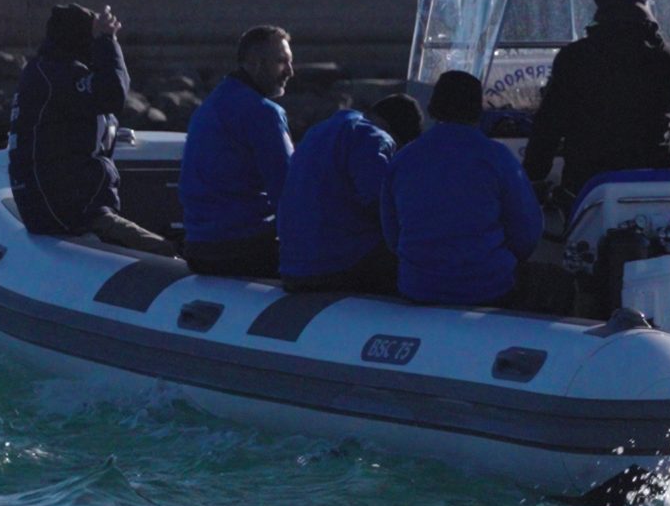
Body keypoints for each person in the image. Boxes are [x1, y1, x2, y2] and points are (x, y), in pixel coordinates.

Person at [7, 2, 172, 254]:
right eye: (91, 35)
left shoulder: (47, 71)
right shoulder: (55, 75)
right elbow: (113, 94)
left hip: (70, 207)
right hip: (71, 214)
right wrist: (108, 40)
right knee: (170, 253)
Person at [522, 0, 670, 204]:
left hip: (586, 186)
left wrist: (533, 175)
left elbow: (549, 124)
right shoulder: (667, 58)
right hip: (651, 183)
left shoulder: (574, 58)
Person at [382, 71, 544, 306]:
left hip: (417, 286)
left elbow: (392, 235)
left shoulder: (402, 159)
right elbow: (526, 233)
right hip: (489, 287)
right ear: (478, 110)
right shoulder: (497, 156)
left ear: (432, 108)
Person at [178, 25, 296, 276]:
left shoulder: (210, 106)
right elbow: (288, 191)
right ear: (255, 63)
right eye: (281, 62)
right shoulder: (263, 113)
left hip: (200, 247)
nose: (290, 71)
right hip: (243, 249)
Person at [276, 93, 422, 293]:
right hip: (337, 265)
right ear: (397, 135)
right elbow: (379, 204)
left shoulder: (318, 131)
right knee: (421, 257)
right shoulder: (374, 137)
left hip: (293, 265)